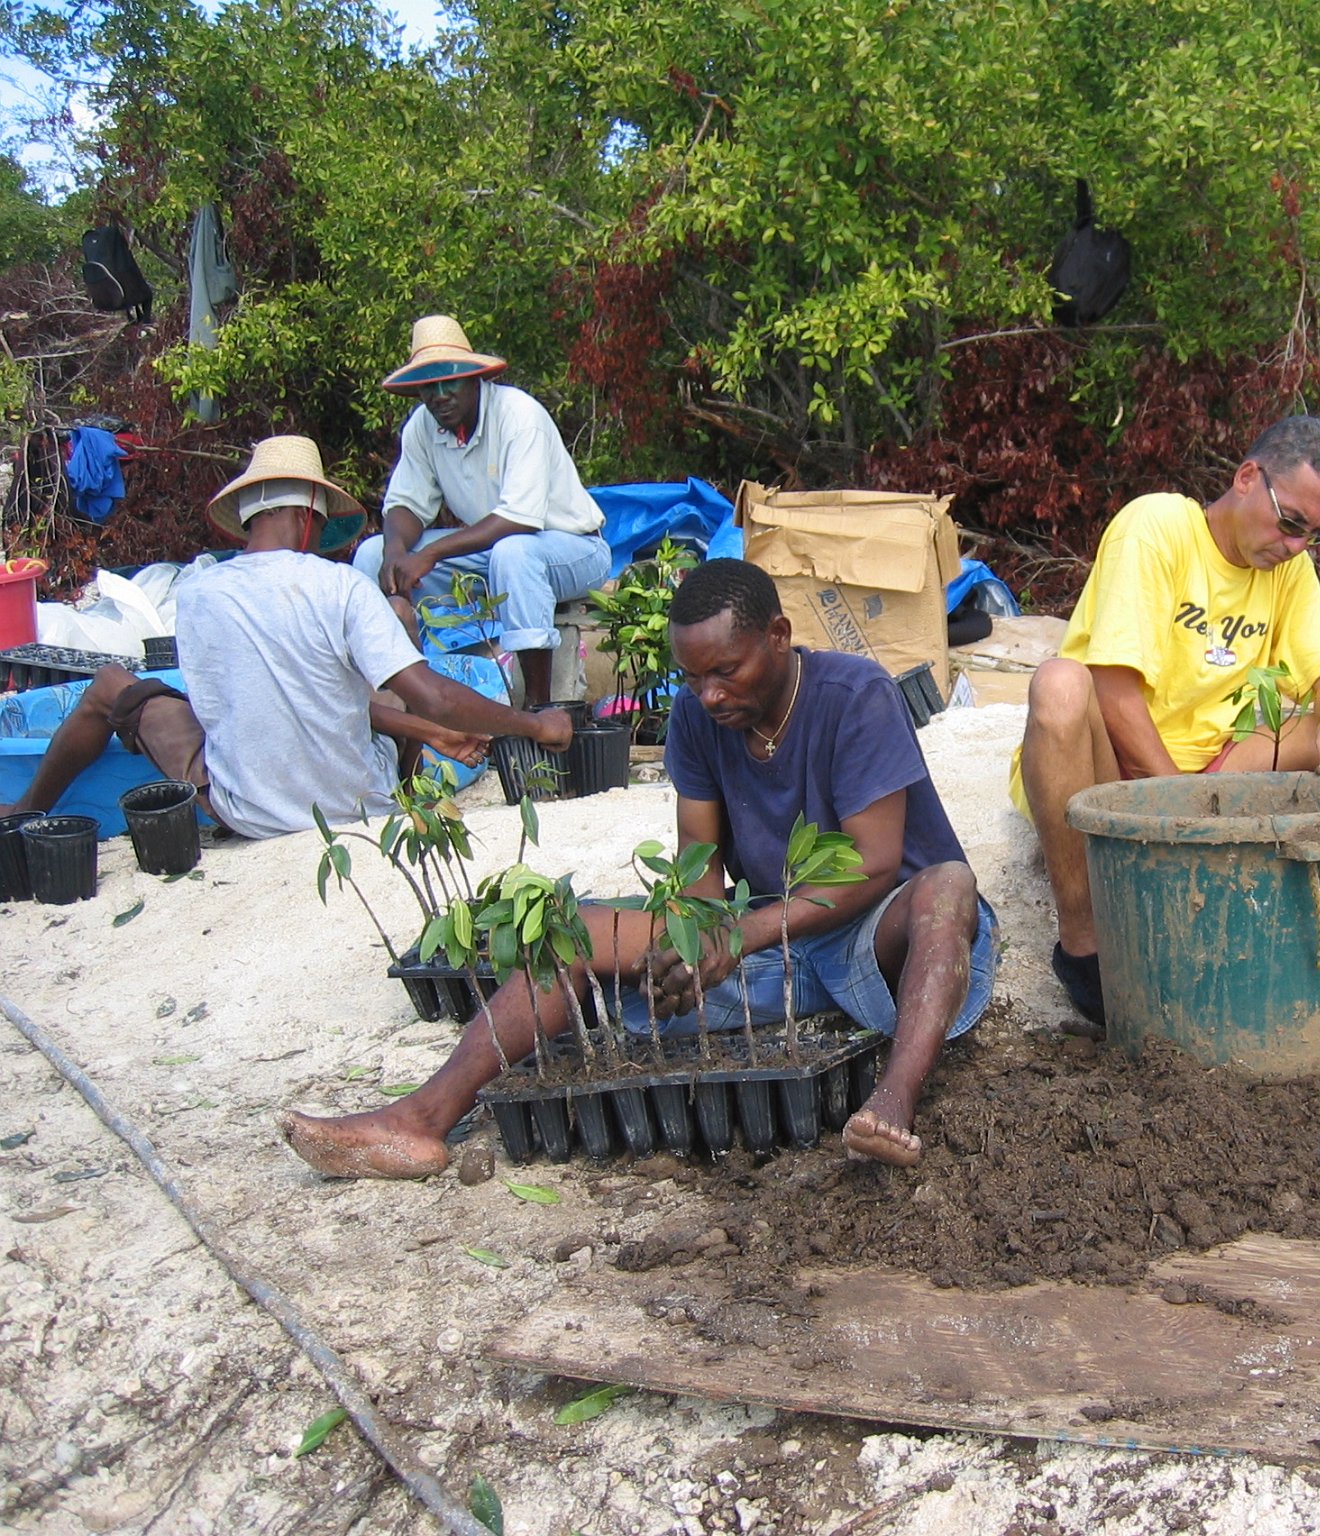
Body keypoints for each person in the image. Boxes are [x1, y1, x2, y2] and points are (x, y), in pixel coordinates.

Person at [280, 558, 999, 1177]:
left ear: (778, 638)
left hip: (888, 944)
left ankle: (894, 1103)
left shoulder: (855, 696)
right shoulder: (697, 718)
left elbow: (873, 868)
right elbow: (698, 862)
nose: (710, 694)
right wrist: (693, 940)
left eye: (727, 670)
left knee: (948, 883)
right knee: (572, 931)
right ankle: (423, 1119)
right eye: (692, 678)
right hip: (767, 936)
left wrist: (737, 940)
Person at [1015, 415, 1320, 1028]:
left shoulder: (1288, 570)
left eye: (1315, 535)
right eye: (1291, 524)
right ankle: (1085, 942)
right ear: (1247, 478)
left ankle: (1288, 920)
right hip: (1112, 766)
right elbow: (1114, 690)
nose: (1297, 546)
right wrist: (1183, 807)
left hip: (1217, 768)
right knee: (1060, 684)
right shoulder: (1158, 528)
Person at [0, 436, 572, 839]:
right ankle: (404, 781)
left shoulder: (197, 594)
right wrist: (535, 723)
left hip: (245, 811)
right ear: (307, 518)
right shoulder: (342, 586)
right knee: (396, 624)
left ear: (251, 517)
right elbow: (433, 695)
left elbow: (258, 704)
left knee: (110, 686)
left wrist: (432, 725)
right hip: (358, 805)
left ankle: (27, 808)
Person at [353, 315, 611, 709]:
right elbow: (405, 504)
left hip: (573, 551)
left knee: (516, 552)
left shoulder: (519, 414)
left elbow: (519, 519)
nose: (440, 394)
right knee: (371, 554)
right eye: (429, 385)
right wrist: (395, 555)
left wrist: (430, 554)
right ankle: (383, 700)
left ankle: (538, 709)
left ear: (475, 378)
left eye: (450, 380)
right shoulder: (422, 426)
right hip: (494, 555)